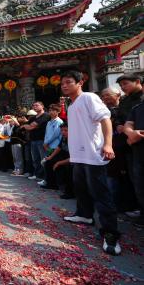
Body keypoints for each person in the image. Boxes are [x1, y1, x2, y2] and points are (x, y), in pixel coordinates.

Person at [60, 70, 121, 256]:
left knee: (101, 194)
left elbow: (105, 119)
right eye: (62, 83)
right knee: (81, 188)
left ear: (80, 83)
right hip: (78, 155)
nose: (64, 85)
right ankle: (85, 215)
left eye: (69, 82)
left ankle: (111, 234)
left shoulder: (88, 98)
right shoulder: (71, 105)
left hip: (93, 154)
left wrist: (108, 144)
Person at [123, 90, 144, 228]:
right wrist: (131, 133)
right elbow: (128, 124)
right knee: (140, 185)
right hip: (139, 153)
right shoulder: (137, 108)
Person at [21, 102, 50, 180]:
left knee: (43, 159)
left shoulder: (46, 115)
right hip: (33, 140)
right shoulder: (34, 117)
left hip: (42, 140)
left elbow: (31, 126)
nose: (35, 107)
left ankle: (46, 177)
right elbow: (25, 125)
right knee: (35, 159)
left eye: (37, 105)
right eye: (33, 105)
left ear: (42, 106)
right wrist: (28, 126)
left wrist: (29, 126)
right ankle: (38, 175)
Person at [38, 104, 63, 187]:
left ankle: (54, 183)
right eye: (50, 110)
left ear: (58, 111)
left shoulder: (58, 121)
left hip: (55, 146)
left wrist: (46, 143)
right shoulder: (49, 122)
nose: (51, 112)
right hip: (48, 145)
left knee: (53, 164)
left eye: (54, 110)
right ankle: (48, 181)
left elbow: (55, 134)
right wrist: (45, 143)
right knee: (47, 164)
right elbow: (46, 134)